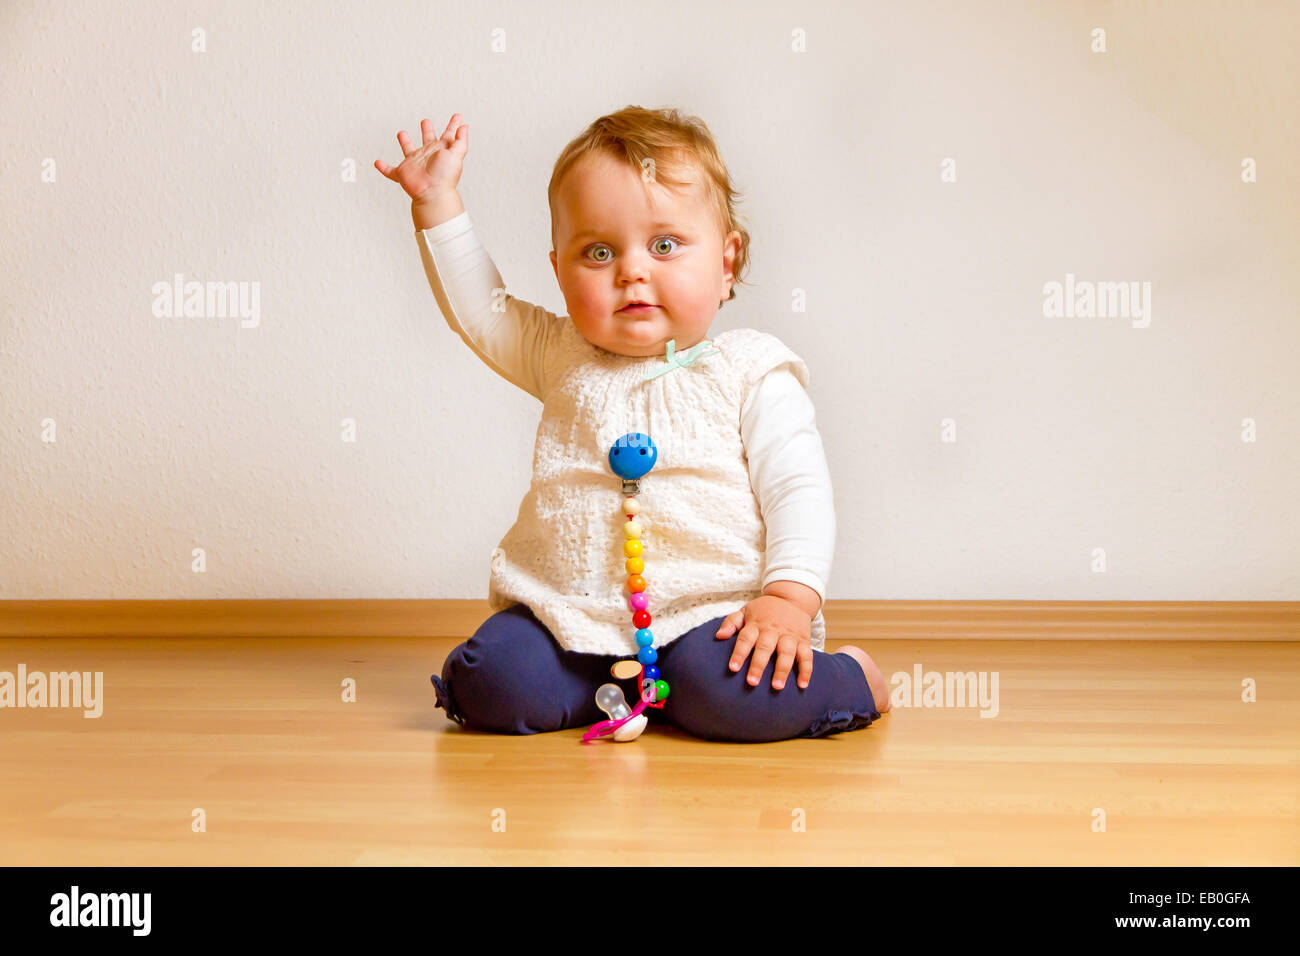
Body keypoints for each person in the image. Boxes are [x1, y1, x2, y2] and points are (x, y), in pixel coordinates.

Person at [375, 106, 891, 742]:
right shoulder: (560, 355)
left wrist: (789, 599)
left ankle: (854, 679)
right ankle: (620, 689)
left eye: (666, 245)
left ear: (727, 262)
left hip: (710, 620)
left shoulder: (752, 372)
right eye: (598, 251)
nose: (633, 270)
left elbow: (798, 492)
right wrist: (438, 204)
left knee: (736, 697)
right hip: (566, 619)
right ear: (561, 272)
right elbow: (482, 312)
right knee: (489, 682)